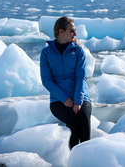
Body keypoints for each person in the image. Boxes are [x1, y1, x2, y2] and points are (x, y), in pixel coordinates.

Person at [40, 17, 91, 149]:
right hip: (58, 100)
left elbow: (81, 77)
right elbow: (46, 80)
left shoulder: (78, 51)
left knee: (84, 120)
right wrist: (65, 99)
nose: (75, 34)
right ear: (61, 31)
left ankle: (86, 157)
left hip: (81, 96)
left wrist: (78, 101)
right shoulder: (46, 53)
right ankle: (72, 157)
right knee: (73, 123)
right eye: (72, 31)